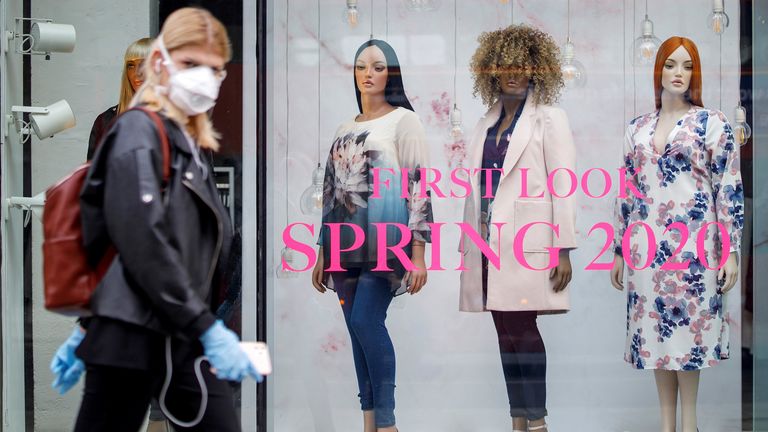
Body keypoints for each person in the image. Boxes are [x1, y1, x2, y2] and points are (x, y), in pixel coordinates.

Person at [48, 8, 261, 432]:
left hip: (174, 333)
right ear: (162, 64)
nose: (205, 77)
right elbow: (139, 239)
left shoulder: (184, 141)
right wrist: (207, 328)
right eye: (191, 64)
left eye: (215, 69)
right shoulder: (136, 134)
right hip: (136, 337)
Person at [610, 36, 743, 432]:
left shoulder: (712, 123)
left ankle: (690, 424)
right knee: (656, 334)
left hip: (695, 251)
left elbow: (728, 187)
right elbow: (627, 191)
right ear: (659, 71)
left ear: (695, 73)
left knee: (688, 336)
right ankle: (666, 424)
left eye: (686, 66)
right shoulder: (636, 129)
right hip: (647, 250)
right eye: (671, 65)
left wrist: (730, 249)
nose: (678, 73)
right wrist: (619, 249)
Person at [310, 39, 433, 432]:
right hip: (343, 245)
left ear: (391, 73)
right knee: (354, 329)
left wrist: (418, 251)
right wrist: (321, 251)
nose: (368, 74)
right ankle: (369, 423)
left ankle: (387, 422)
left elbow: (418, 185)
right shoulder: (345, 126)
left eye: (378, 67)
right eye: (362, 66)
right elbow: (331, 192)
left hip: (386, 240)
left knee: (366, 320)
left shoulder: (404, 121)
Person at [459, 25, 577, 432]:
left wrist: (563, 248)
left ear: (535, 69)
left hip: (529, 243)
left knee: (523, 330)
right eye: (504, 63)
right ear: (491, 69)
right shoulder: (485, 123)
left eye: (522, 63)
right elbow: (474, 189)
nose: (513, 71)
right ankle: (517, 420)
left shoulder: (549, 119)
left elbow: (564, 182)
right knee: (503, 333)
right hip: (488, 243)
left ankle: (538, 421)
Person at [87, 37, 152, 160]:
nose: (136, 73)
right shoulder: (106, 121)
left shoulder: (175, 119)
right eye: (131, 65)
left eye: (143, 64)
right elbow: (93, 173)